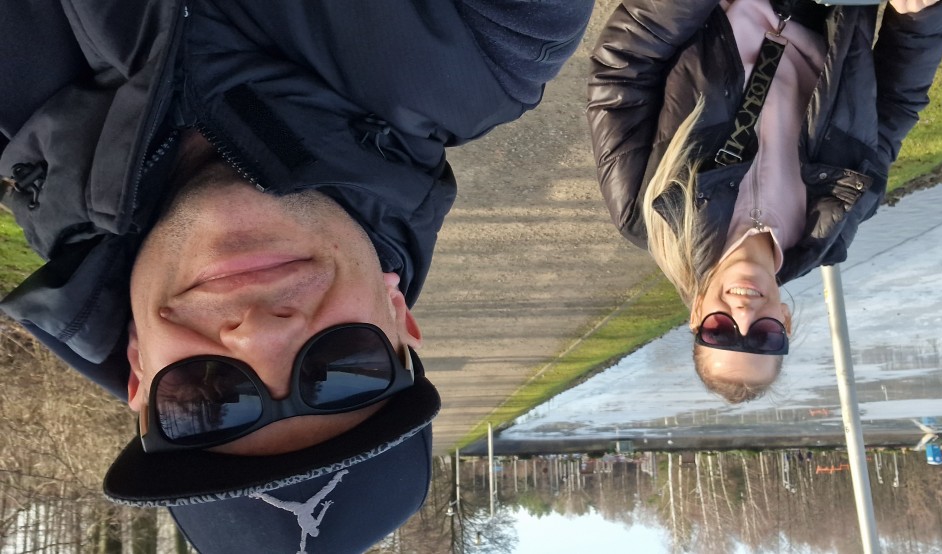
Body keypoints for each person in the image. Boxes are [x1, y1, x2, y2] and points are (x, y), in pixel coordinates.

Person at [0, 0, 592, 551]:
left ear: (138, 369)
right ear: (397, 315)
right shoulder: (488, 45)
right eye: (339, 370)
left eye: (210, 399)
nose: (259, 333)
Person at [586, 0, 942, 402]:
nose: (744, 316)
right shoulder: (837, 214)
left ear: (696, 315)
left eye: (720, 332)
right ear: (785, 322)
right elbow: (897, 103)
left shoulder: (649, 213)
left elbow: (620, 73)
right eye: (763, 337)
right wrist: (921, 18)